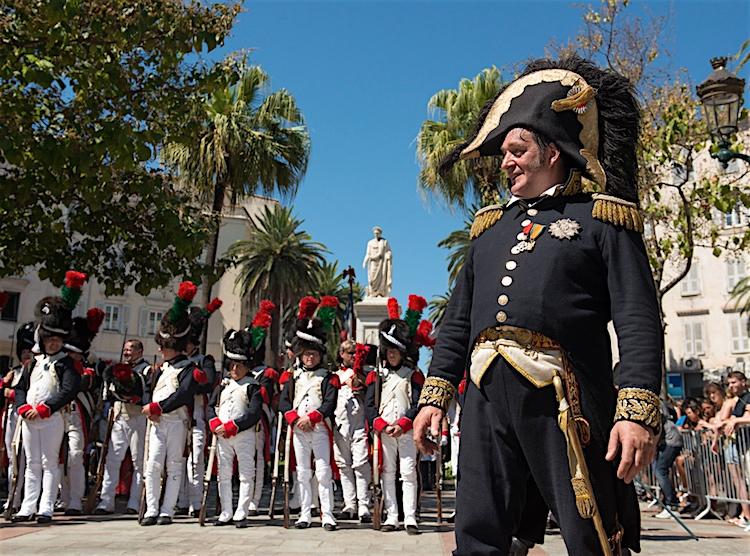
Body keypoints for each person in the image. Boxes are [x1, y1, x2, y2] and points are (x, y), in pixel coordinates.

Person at [413, 56, 662, 555]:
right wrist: (434, 397)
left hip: (567, 403)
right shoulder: (488, 230)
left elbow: (638, 321)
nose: (505, 162)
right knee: (477, 531)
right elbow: (458, 322)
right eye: (504, 151)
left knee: (590, 535)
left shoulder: (601, 221)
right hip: (485, 401)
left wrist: (636, 412)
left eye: (517, 149)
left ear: (553, 151)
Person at [12, 271, 86, 523]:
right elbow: (21, 387)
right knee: (30, 462)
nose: (53, 344)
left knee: (49, 462)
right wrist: (22, 406)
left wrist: (46, 408)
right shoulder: (33, 362)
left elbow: (68, 390)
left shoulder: (66, 364)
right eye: (49, 340)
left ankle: (46, 507)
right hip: (29, 418)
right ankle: (27, 506)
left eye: (57, 340)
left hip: (51, 417)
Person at [140, 281, 207, 526]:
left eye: (165, 346)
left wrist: (159, 407)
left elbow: (184, 394)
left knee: (175, 465)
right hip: (156, 422)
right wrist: (149, 406)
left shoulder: (189, 367)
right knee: (153, 464)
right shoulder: (158, 369)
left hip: (176, 421)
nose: (161, 349)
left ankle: (167, 510)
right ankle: (151, 509)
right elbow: (148, 390)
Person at [365, 296, 430, 534]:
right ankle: (392, 516)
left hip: (406, 430)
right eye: (389, 350)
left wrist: (403, 424)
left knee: (409, 473)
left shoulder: (412, 374)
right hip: (384, 431)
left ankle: (410, 517)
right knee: (388, 473)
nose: (392, 355)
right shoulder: (376, 376)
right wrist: (381, 425)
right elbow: (370, 406)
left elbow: (418, 402)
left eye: (396, 351)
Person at [279, 296, 340, 531]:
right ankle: (305, 513)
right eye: (306, 354)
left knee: (323, 472)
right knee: (302, 472)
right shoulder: (293, 377)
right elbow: (285, 403)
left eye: (314, 354)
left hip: (319, 428)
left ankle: (327, 514)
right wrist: (295, 420)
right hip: (298, 430)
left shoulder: (328, 377)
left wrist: (312, 418)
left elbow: (329, 404)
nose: (310, 357)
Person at [208, 329, 264, 528]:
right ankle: (226, 511)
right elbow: (210, 407)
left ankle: (241, 511)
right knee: (223, 474)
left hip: (244, 435)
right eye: (231, 365)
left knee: (246, 474)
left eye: (238, 365)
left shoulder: (253, 386)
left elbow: (254, 413)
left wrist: (234, 426)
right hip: (222, 435)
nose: (234, 369)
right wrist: (214, 423)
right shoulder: (222, 385)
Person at [176, 298, 221, 517]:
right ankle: (181, 500)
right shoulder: (176, 362)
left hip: (196, 416)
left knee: (195, 460)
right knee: (178, 460)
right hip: (176, 416)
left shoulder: (205, 361)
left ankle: (195, 502)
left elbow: (208, 382)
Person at [94, 340, 150, 515]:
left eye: (130, 349)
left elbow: (148, 393)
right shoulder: (117, 368)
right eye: (125, 349)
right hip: (119, 416)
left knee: (138, 462)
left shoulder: (147, 370)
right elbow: (108, 393)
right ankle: (106, 500)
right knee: (112, 460)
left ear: (140, 351)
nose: (127, 353)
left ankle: (134, 501)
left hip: (138, 416)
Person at [59, 309, 104, 515]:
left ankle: (76, 500)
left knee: (76, 455)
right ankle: (63, 497)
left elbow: (85, 386)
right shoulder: (59, 365)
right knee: (57, 458)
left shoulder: (89, 369)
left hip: (78, 414)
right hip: (58, 414)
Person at [243, 300, 278, 516]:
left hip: (258, 421)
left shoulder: (265, 373)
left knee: (257, 460)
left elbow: (265, 397)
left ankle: (254, 499)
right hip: (237, 421)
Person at [333, 339, 372, 523]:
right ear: (341, 354)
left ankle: (364, 505)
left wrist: (361, 387)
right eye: (349, 352)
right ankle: (350, 504)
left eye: (356, 353)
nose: (353, 356)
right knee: (343, 465)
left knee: (361, 464)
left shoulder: (367, 375)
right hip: (340, 426)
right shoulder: (334, 376)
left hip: (359, 425)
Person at [1, 321, 35, 514]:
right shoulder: (14, 371)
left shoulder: (35, 371)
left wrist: (11, 394)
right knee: (12, 456)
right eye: (24, 352)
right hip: (12, 415)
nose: (26, 355)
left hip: (27, 416)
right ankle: (12, 496)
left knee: (27, 458)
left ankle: (23, 497)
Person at [717, 371, 750, 527]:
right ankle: (746, 515)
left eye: (734, 382)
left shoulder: (747, 397)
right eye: (729, 383)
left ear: (743, 382)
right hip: (738, 444)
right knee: (740, 482)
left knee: (745, 481)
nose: (731, 386)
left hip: (746, 445)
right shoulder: (736, 401)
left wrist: (736, 420)